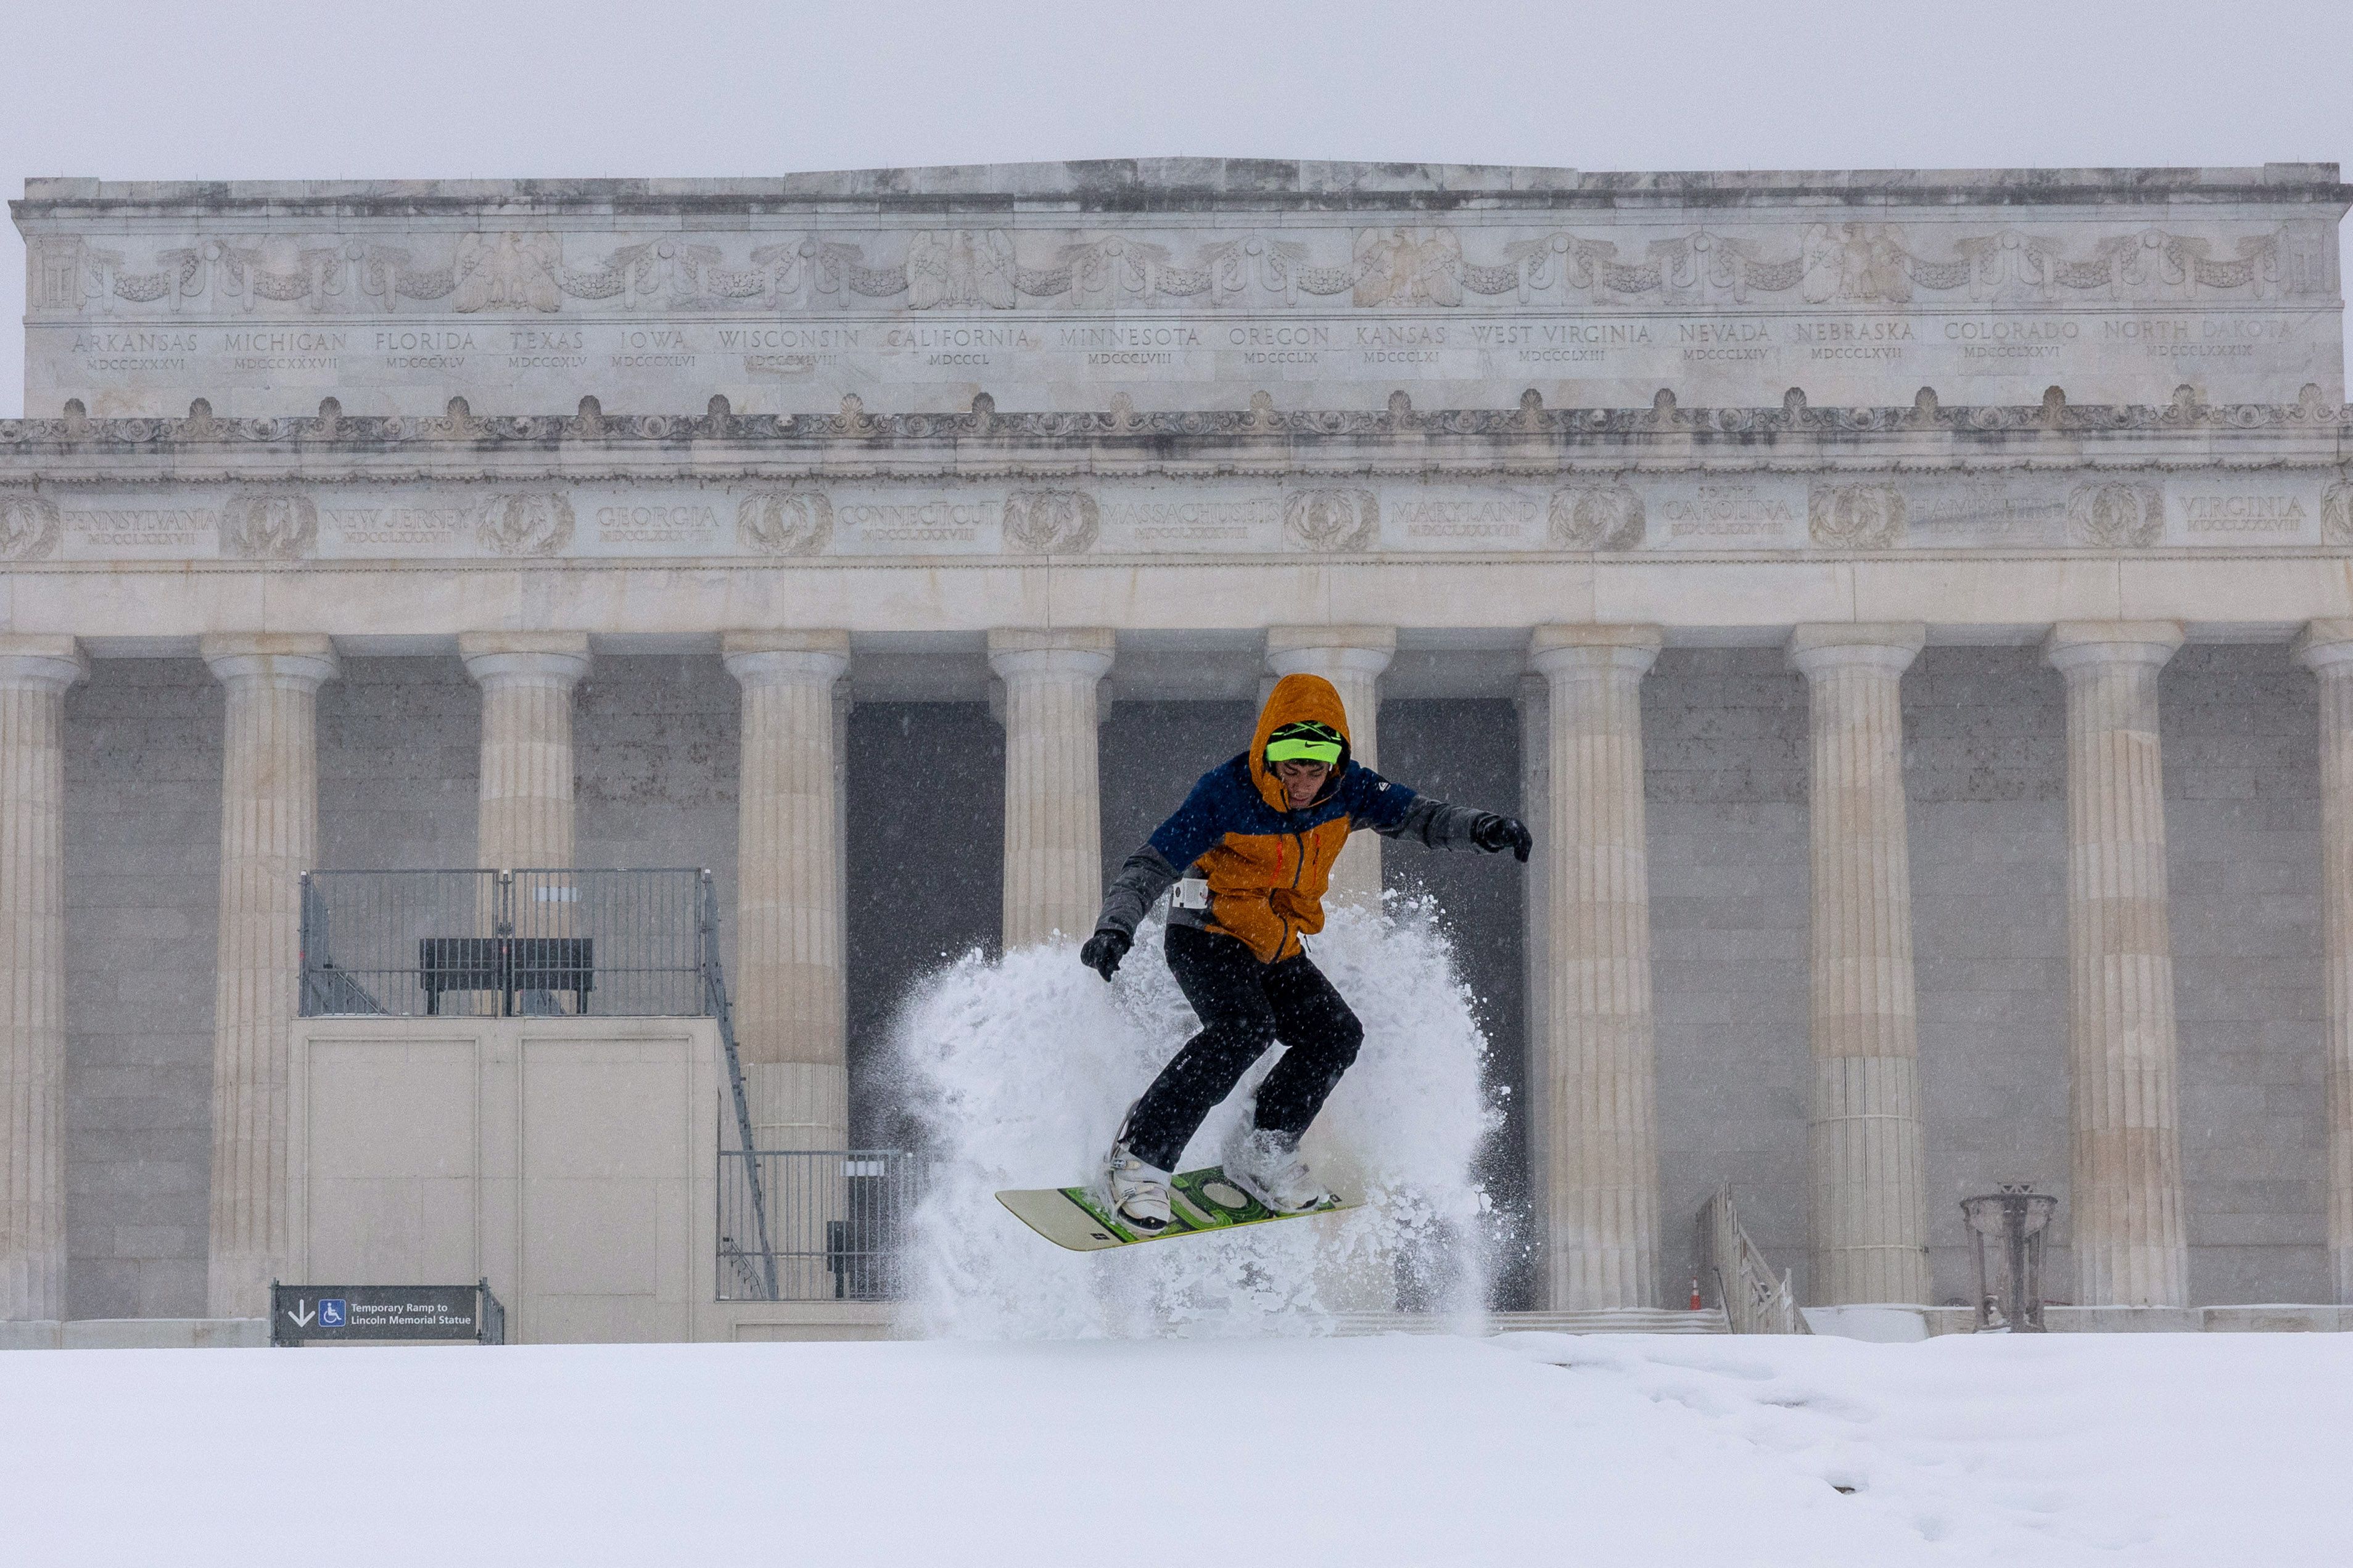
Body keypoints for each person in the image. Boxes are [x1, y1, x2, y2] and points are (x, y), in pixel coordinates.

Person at [1077, 672, 1532, 1233]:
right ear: (1268, 754)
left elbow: (1423, 817)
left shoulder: (1352, 790)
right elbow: (1151, 864)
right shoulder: (1225, 792)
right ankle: (1139, 1157)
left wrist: (1483, 827)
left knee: (1336, 1032)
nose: (1300, 784)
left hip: (1274, 939)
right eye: (1289, 768)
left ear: (1334, 765)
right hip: (1206, 932)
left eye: (1313, 770)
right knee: (1244, 1026)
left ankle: (1264, 1148)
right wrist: (1114, 928)